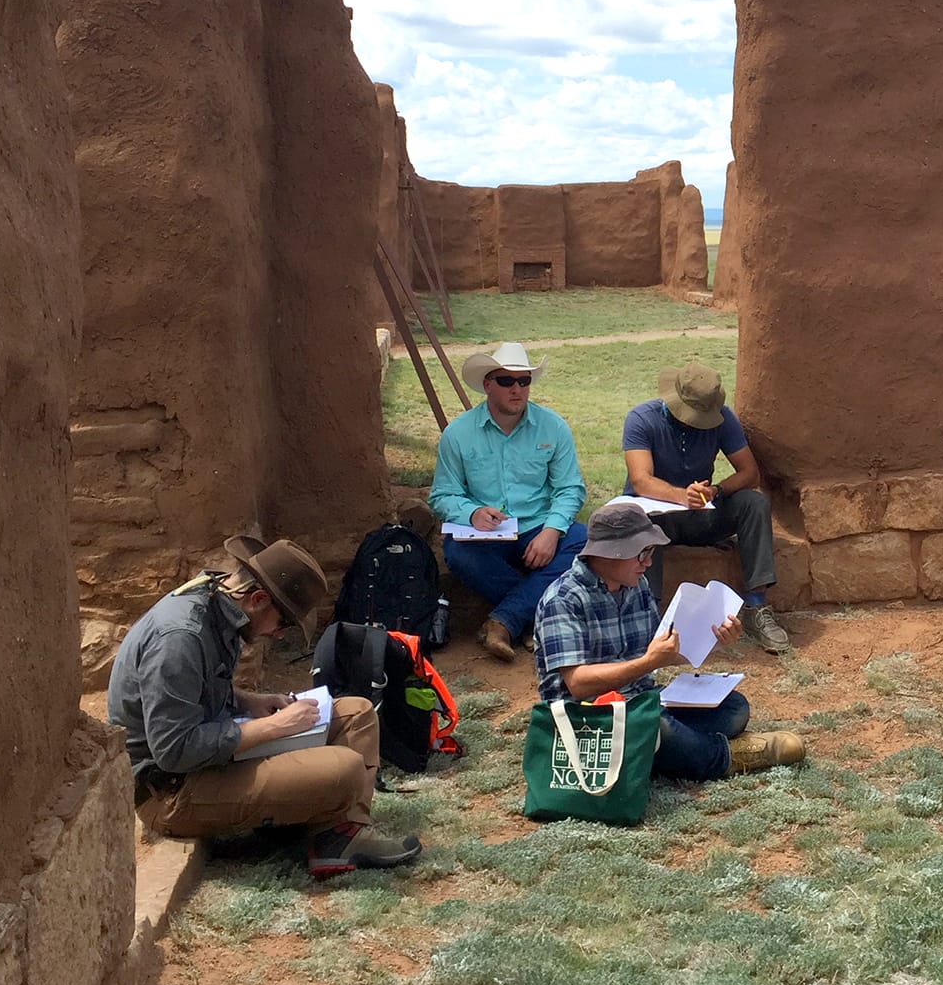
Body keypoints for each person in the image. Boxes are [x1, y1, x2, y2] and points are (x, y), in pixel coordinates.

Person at [107, 535, 423, 877]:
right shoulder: (180, 638)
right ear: (258, 599)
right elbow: (174, 750)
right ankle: (325, 832)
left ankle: (341, 834)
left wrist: (251, 702)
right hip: (170, 791)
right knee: (345, 767)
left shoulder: (215, 602)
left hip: (204, 764)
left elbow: (201, 690)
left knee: (357, 714)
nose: (278, 634)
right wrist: (277, 726)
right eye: (283, 622)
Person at [533, 502, 806, 779]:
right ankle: (727, 757)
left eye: (650, 552)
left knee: (734, 708)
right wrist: (646, 663)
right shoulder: (564, 599)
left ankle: (667, 752)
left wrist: (714, 641)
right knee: (656, 728)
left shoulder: (636, 586)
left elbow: (659, 651)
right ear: (610, 553)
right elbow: (578, 684)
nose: (648, 563)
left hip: (642, 701)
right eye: (642, 554)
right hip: (588, 716)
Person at [430, 341, 588, 664]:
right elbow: (441, 495)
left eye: (524, 381)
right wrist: (471, 512)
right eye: (506, 381)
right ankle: (532, 618)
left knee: (582, 538)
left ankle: (503, 621)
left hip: (537, 527)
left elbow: (570, 488)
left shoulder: (553, 427)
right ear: (487, 385)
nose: (517, 389)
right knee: (456, 552)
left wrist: (552, 530)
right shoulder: (458, 434)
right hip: (487, 535)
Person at [621, 360, 791, 653]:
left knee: (754, 503)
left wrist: (716, 490)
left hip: (702, 514)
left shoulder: (723, 418)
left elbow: (749, 473)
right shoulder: (642, 419)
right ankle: (649, 615)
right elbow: (641, 481)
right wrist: (679, 496)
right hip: (659, 518)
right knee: (640, 519)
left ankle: (756, 607)